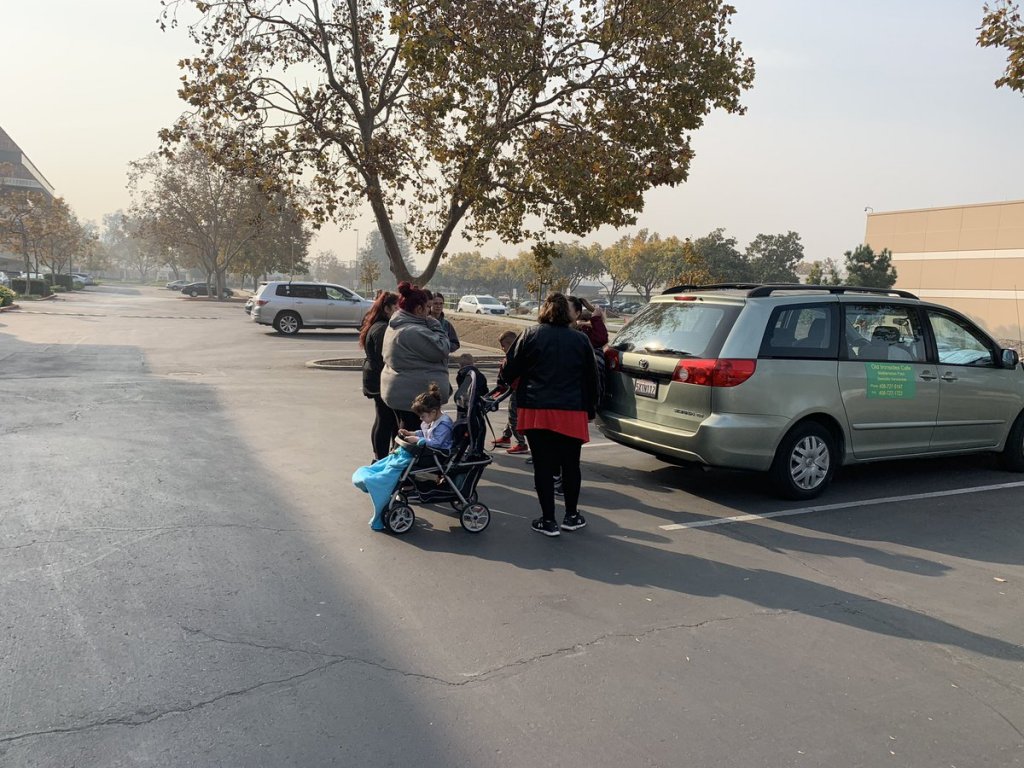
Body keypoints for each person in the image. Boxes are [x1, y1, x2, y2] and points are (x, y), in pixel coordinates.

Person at [501, 293, 598, 537]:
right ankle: (571, 515)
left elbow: (508, 371)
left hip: (536, 408)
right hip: (571, 409)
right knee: (571, 465)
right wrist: (591, 408)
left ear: (544, 310)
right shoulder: (581, 339)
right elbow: (592, 378)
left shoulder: (529, 334)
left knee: (542, 466)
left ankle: (548, 520)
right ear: (568, 312)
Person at [382, 282, 452, 432]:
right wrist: (436, 325)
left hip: (401, 392)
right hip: (412, 396)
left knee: (405, 432)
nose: (429, 311)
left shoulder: (397, 324)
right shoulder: (413, 331)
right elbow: (442, 349)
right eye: (427, 307)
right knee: (413, 436)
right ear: (419, 309)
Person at [359, 291, 400, 461]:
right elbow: (385, 357)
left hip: (374, 377)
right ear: (387, 308)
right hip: (378, 379)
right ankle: (381, 457)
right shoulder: (382, 328)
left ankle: (379, 456)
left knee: (383, 419)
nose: (399, 310)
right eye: (396, 307)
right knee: (385, 420)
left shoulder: (378, 324)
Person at [494, 329, 528, 454]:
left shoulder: (517, 357)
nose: (502, 348)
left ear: (511, 343)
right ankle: (506, 436)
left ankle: (521, 443)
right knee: (512, 414)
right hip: (515, 388)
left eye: (504, 345)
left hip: (519, 390)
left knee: (513, 417)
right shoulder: (516, 355)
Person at [396, 382, 455, 452]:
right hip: (430, 451)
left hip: (438, 453)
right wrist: (411, 433)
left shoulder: (443, 425)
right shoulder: (433, 419)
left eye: (423, 416)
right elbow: (426, 433)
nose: (420, 418)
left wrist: (417, 439)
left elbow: (437, 443)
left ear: (433, 412)